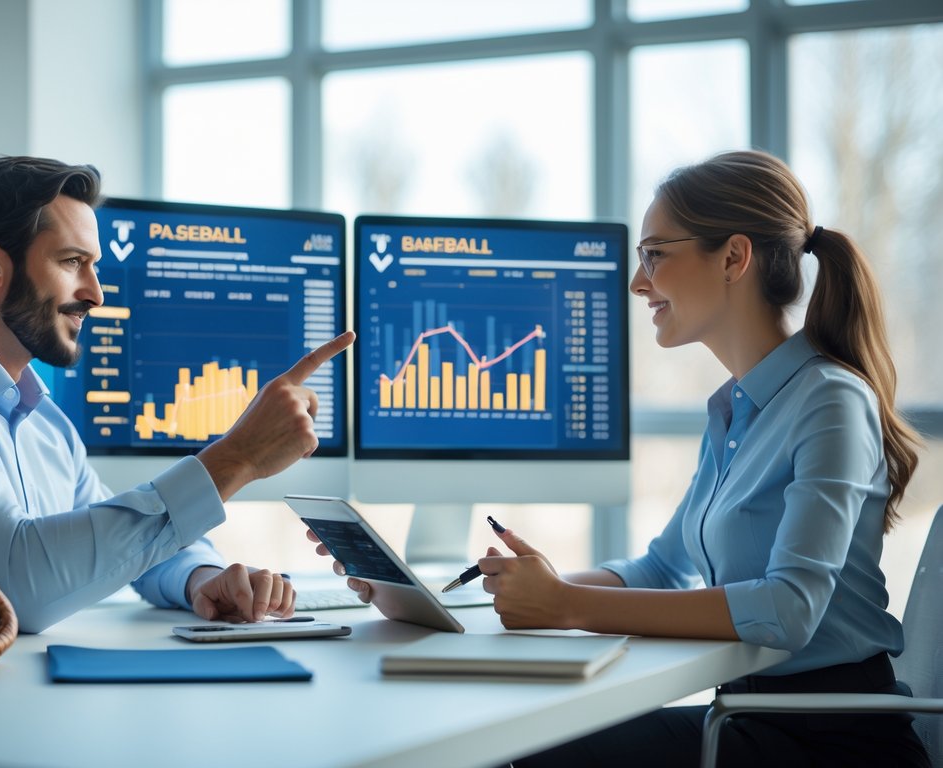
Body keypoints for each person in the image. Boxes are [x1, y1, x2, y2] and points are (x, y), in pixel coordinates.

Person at [311, 150, 928, 766]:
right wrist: (503, 591)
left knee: (523, 754)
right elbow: (662, 569)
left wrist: (565, 605)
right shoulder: (735, 411)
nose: (637, 282)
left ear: (733, 258)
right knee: (522, 744)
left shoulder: (831, 400)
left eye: (655, 254)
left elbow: (788, 609)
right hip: (749, 719)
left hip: (834, 741)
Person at [0, 155, 354, 633]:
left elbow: (116, 542)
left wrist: (202, 578)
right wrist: (236, 459)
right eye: (73, 262)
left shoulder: (43, 424)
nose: (95, 293)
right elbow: (12, 586)